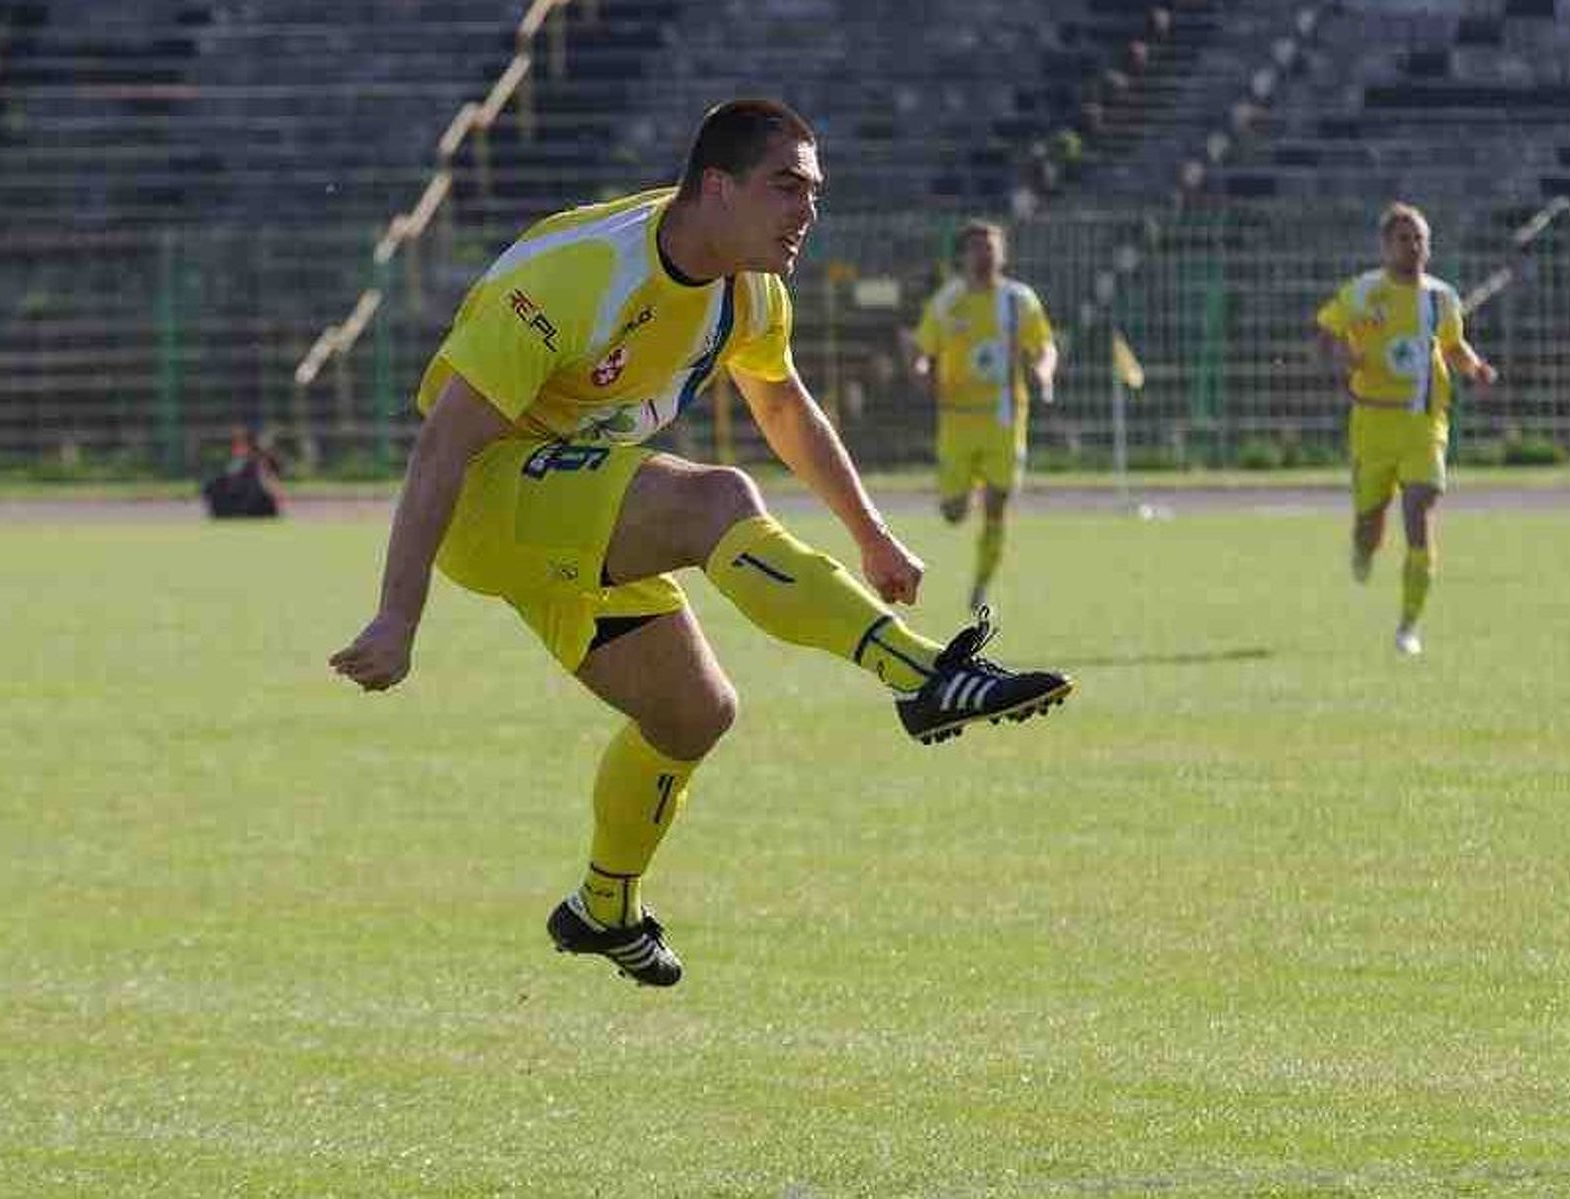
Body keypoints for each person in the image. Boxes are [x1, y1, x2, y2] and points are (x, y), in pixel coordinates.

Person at [329, 100, 1073, 989]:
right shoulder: (577, 276)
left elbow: (782, 403)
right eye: (786, 186)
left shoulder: (751, 285)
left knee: (692, 712)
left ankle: (603, 906)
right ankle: (922, 676)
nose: (807, 210)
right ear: (715, 188)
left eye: (814, 190)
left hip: (578, 503)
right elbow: (445, 443)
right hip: (489, 499)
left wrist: (870, 532)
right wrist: (396, 616)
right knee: (714, 497)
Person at [1315, 202, 1497, 656]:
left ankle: (1408, 627)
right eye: (1403, 238)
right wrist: (1342, 356)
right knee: (1370, 526)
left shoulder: (1442, 298)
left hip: (1424, 422)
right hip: (1373, 425)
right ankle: (1362, 548)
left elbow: (1453, 346)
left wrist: (1474, 369)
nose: (1412, 246)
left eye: (1419, 238)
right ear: (1385, 246)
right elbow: (1325, 332)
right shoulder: (1362, 293)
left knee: (1419, 514)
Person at [906, 219, 1061, 612]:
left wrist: (1043, 370)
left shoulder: (1018, 300)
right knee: (954, 513)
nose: (983, 254)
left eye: (990, 246)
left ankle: (981, 585)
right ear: (963, 255)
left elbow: (1044, 345)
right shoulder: (947, 302)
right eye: (976, 247)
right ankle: (968, 490)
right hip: (957, 422)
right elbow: (924, 349)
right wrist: (922, 370)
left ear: (1003, 254)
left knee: (998, 505)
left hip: (1004, 419)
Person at [203, 424, 285, 518]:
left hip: (255, 509)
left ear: (250, 446)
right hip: (235, 508)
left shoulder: (259, 463)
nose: (238, 449)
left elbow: (275, 491)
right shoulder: (231, 466)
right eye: (236, 445)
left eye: (242, 444)